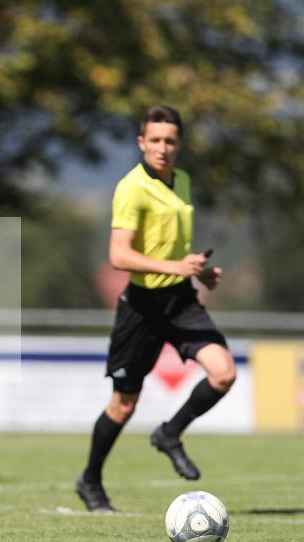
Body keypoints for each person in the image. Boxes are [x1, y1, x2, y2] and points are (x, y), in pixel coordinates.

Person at [76, 106, 237, 513]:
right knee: (123, 404)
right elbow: (119, 255)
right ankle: (90, 479)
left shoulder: (182, 180)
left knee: (223, 373)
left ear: (178, 144)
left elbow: (173, 248)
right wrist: (176, 267)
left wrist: (199, 272)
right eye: (155, 140)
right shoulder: (131, 188)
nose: (163, 147)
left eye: (170, 141)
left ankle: (169, 433)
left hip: (180, 300)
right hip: (142, 307)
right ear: (141, 142)